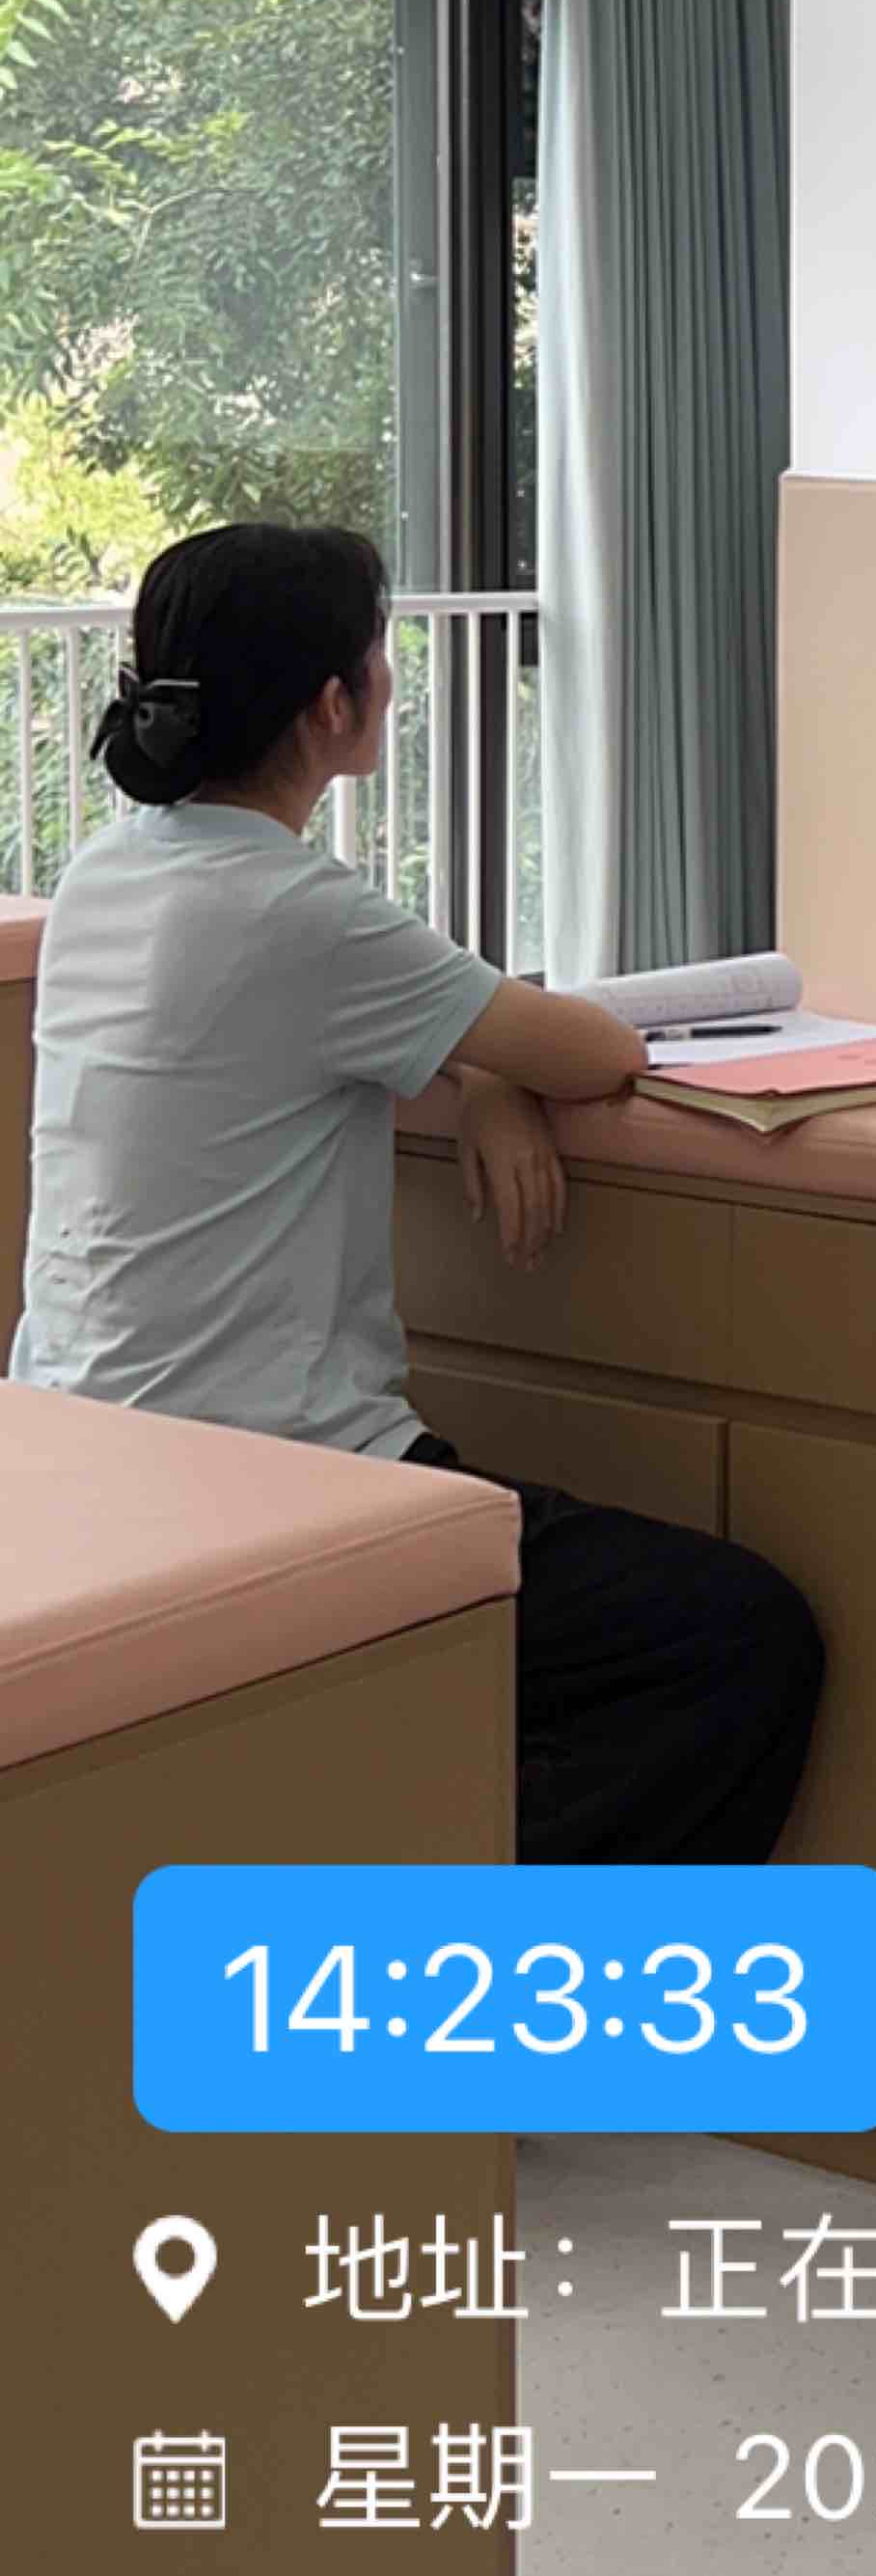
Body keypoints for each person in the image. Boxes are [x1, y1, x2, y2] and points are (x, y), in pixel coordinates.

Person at [14, 522, 824, 1865]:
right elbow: (596, 1052)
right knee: (736, 1638)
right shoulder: (294, 908)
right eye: (379, 659)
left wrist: (478, 1064)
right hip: (276, 1478)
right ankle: (472, 1971)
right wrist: (497, 1067)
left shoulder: (103, 876)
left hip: (84, 1448)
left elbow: (405, 1027)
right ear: (334, 706)